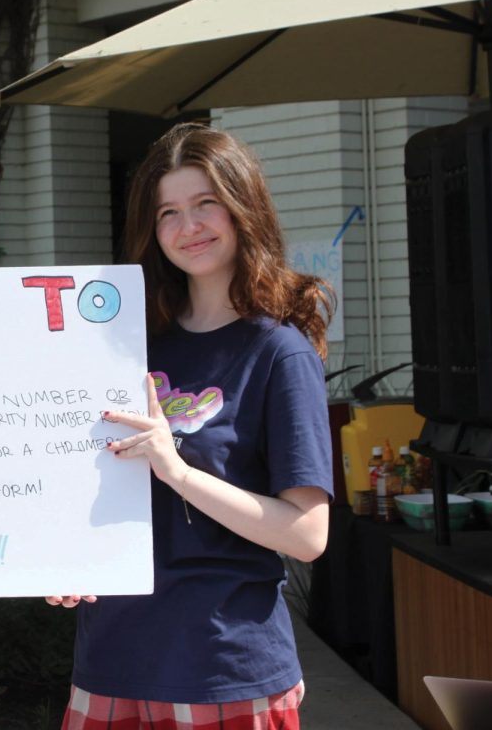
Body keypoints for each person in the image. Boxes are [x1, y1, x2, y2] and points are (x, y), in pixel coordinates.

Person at [50, 123, 333, 730]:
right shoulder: (124, 343)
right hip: (110, 660)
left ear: (243, 208)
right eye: (168, 212)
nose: (189, 227)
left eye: (207, 204)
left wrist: (175, 470)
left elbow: (308, 534)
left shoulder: (280, 353)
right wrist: (62, 558)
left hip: (223, 668)